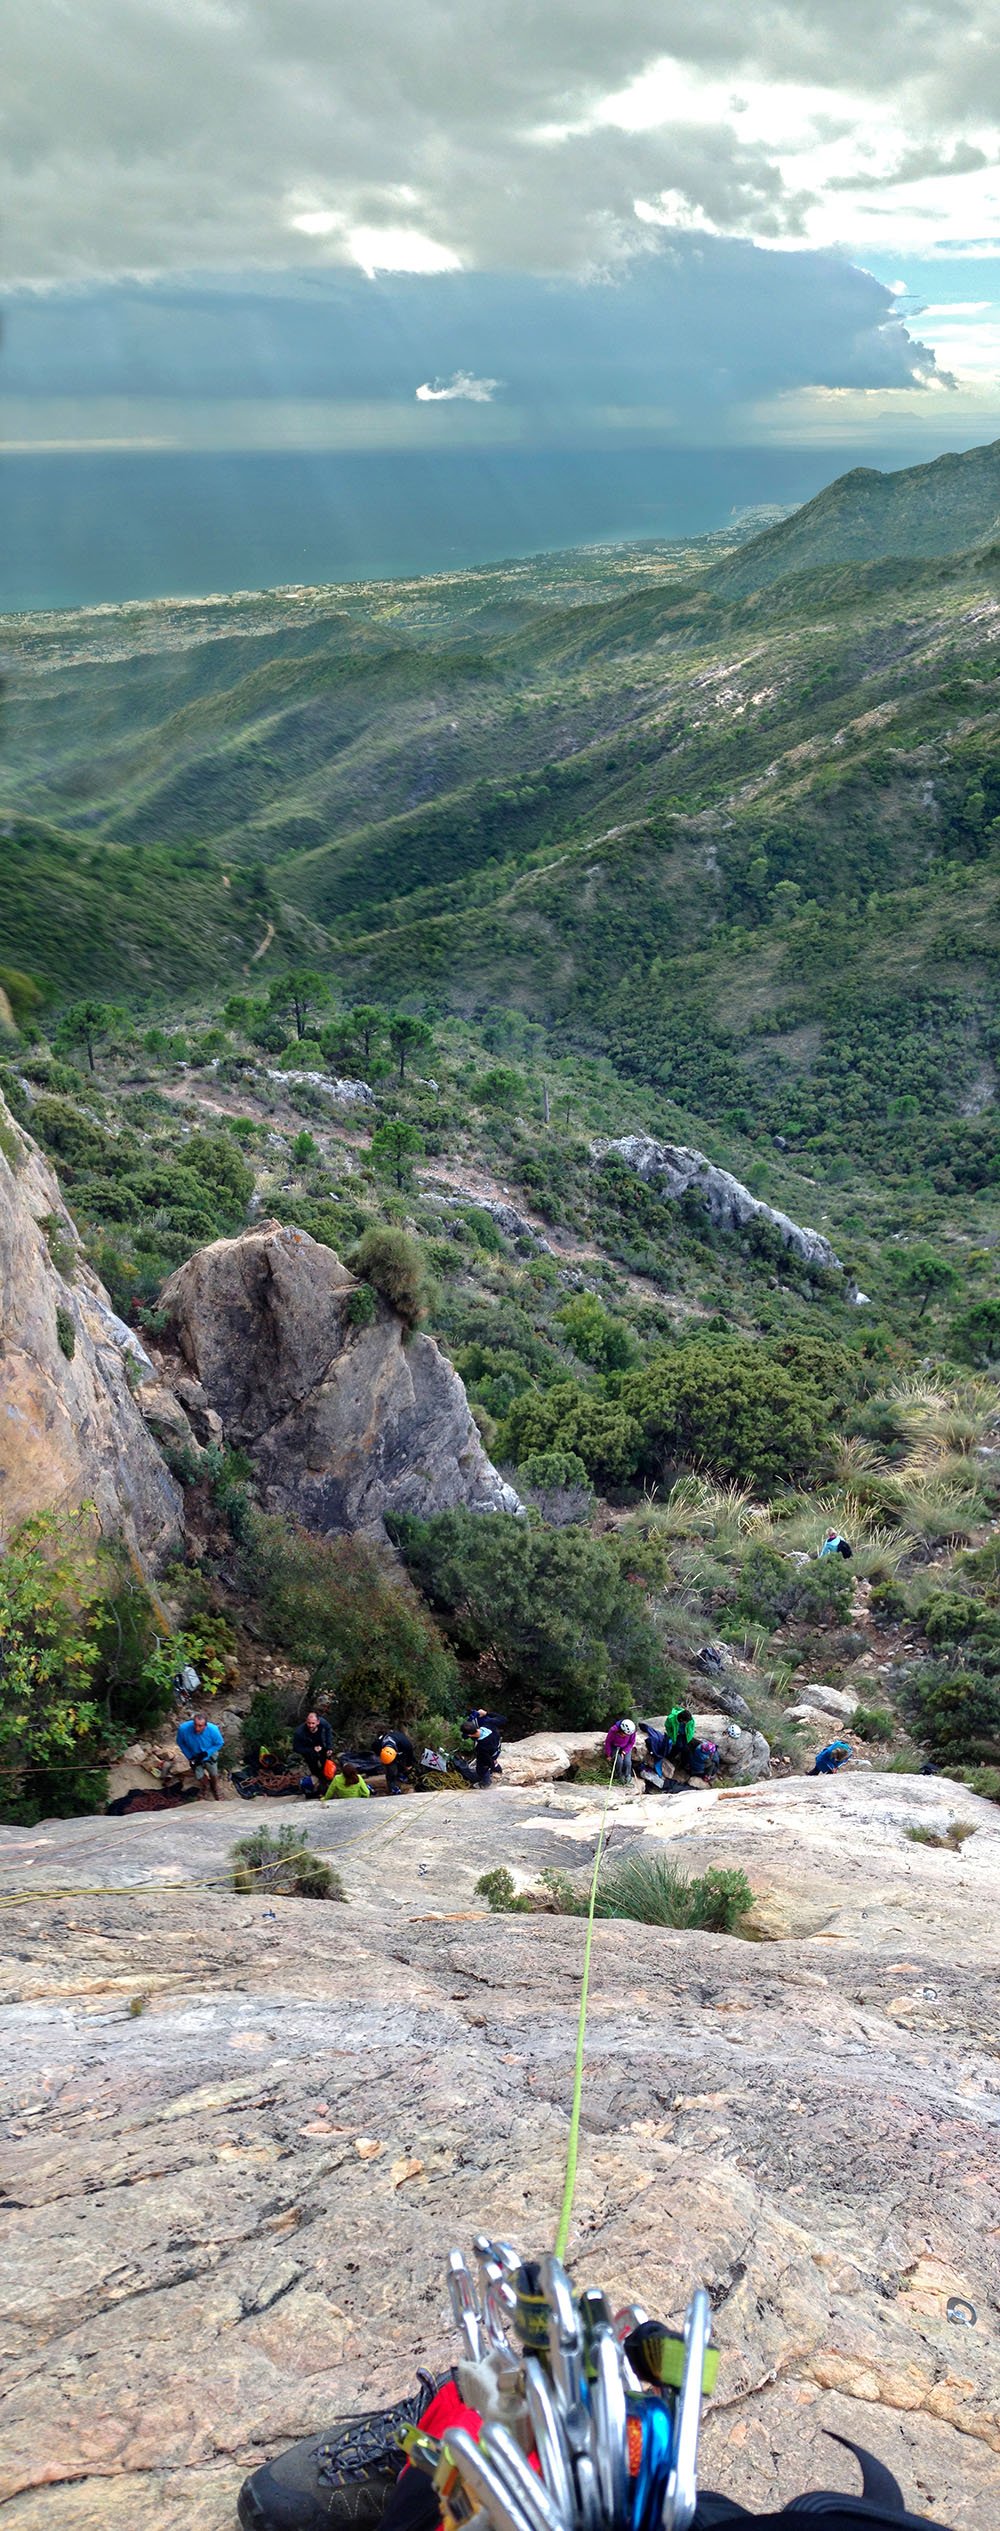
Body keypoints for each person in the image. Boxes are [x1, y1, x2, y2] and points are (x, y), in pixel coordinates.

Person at [175, 1708, 224, 1799]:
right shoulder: (183, 1729)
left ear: (205, 1725)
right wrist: (190, 1756)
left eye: (200, 1726)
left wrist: (207, 1753)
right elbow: (180, 1742)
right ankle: (206, 1786)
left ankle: (215, 1787)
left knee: (213, 1772)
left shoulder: (213, 1730)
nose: (197, 1728)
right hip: (193, 1755)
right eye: (195, 1725)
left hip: (209, 1754)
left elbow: (219, 1743)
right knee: (199, 1775)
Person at [292, 1710, 335, 1795]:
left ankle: (328, 1781)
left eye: (313, 1723)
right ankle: (319, 1784)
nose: (311, 1725)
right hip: (308, 1749)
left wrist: (329, 1747)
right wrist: (312, 1750)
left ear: (318, 1722)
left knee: (326, 1764)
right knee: (314, 1768)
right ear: (306, 1722)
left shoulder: (323, 1723)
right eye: (309, 1723)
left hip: (322, 1745)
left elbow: (328, 1730)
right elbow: (296, 1748)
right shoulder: (299, 1732)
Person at [376, 1728, 415, 1794]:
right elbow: (376, 1750)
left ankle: (401, 1775)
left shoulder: (405, 1744)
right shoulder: (378, 1744)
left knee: (403, 1765)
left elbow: (410, 1753)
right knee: (391, 1771)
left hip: (400, 1749)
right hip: (387, 1754)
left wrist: (409, 1764)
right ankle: (392, 1787)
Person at [603, 1715, 638, 1783]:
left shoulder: (631, 1732)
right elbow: (608, 1742)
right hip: (614, 1747)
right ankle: (618, 1775)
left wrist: (624, 1751)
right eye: (624, 1734)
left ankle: (627, 1774)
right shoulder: (613, 1730)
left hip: (626, 1747)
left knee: (627, 1762)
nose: (625, 1736)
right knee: (619, 1761)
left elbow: (631, 1742)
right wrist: (608, 1754)